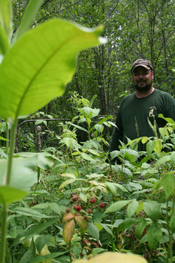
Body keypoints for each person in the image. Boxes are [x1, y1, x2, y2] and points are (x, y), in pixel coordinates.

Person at [109, 58, 175, 157]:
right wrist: (111, 161)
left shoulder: (165, 99)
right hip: (128, 166)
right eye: (136, 74)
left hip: (159, 166)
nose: (141, 77)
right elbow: (117, 134)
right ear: (132, 77)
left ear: (152, 75)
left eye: (145, 73)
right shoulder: (125, 102)